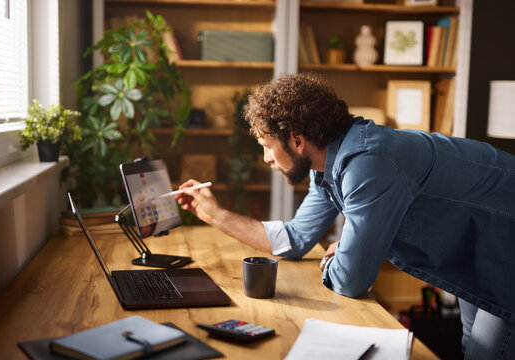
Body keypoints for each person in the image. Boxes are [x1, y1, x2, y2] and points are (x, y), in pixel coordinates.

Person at [175, 73, 515, 359]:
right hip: (479, 252)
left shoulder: (367, 163)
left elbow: (351, 279)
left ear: (297, 140)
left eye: (267, 145)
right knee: (475, 347)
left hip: (505, 242)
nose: (265, 158)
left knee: (486, 353)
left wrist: (345, 253)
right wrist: (214, 214)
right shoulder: (328, 167)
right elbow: (295, 239)